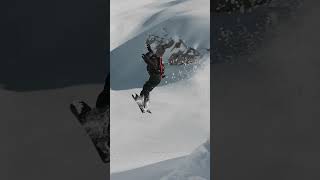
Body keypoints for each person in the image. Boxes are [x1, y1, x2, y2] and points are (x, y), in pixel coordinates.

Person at [139, 40, 173, 108]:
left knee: (146, 89)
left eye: (148, 56)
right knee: (146, 88)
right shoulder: (155, 58)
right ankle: (142, 100)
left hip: (156, 77)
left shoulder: (153, 60)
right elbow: (151, 53)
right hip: (157, 78)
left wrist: (147, 59)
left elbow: (153, 65)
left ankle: (145, 104)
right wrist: (148, 47)